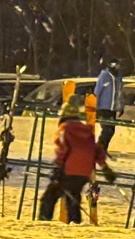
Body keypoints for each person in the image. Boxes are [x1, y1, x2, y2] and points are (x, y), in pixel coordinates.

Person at [38, 95, 113, 223]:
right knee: (73, 196)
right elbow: (97, 150)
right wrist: (105, 168)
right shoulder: (86, 131)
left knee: (49, 196)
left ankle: (44, 222)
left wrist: (58, 167)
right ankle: (75, 222)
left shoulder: (65, 129)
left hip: (69, 169)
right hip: (84, 172)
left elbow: (63, 150)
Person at [94, 58, 123, 153]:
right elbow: (97, 91)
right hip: (103, 108)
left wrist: (121, 107)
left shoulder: (118, 78)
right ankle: (98, 150)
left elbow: (119, 93)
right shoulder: (104, 76)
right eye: (117, 65)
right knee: (106, 130)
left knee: (111, 131)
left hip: (112, 109)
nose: (119, 67)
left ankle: (103, 150)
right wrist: (95, 107)